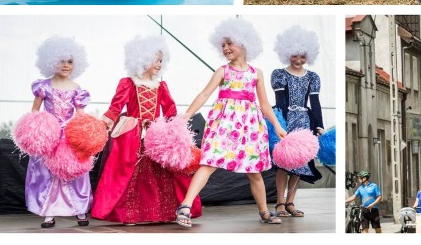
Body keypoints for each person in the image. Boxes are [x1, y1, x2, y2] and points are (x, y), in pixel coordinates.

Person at [175, 18, 287, 227]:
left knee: (254, 171)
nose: (225, 48)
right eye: (223, 45)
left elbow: (264, 104)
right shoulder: (223, 71)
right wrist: (187, 115)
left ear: (243, 42)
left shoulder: (256, 74)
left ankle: (264, 211)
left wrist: (277, 126)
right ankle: (185, 205)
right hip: (224, 124)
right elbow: (204, 94)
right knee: (208, 163)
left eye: (229, 43)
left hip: (250, 127)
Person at [91, 36, 201, 224]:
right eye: (155, 60)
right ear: (141, 59)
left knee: (159, 173)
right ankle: (131, 214)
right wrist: (103, 123)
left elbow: (170, 112)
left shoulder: (161, 86)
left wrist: (177, 131)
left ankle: (161, 213)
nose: (159, 64)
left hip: (156, 134)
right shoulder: (128, 83)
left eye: (160, 61)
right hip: (132, 134)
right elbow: (116, 107)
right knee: (131, 173)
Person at [25, 36, 92, 228]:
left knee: (75, 171)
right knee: (46, 172)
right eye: (61, 61)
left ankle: (79, 210)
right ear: (51, 61)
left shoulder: (77, 89)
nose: (65, 65)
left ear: (76, 64)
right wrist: (36, 132)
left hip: (69, 135)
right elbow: (34, 111)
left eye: (70, 61)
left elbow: (80, 115)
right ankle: (49, 212)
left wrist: (82, 135)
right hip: (49, 135)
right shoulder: (43, 86)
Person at [270, 26, 324, 218]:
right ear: (287, 54)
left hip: (305, 123)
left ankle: (291, 202)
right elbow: (280, 102)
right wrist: (281, 125)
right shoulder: (279, 74)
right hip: (286, 123)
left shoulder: (313, 77)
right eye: (295, 56)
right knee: (283, 164)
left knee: (300, 163)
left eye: (302, 56)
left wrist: (319, 125)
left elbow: (315, 103)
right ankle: (279, 203)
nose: (299, 60)